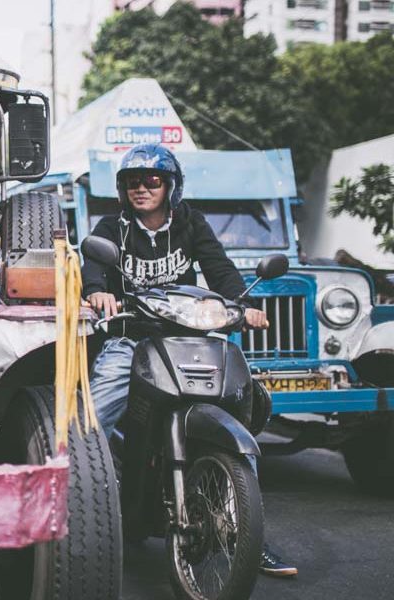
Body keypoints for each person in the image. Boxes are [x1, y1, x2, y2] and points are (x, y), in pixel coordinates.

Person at [81, 143, 298, 578]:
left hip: (188, 339)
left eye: (152, 181)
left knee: (234, 419)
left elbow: (219, 271)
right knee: (87, 423)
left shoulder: (191, 222)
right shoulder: (112, 225)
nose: (141, 188)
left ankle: (243, 533)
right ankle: (72, 520)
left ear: (170, 187)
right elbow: (94, 265)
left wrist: (244, 305)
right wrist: (97, 290)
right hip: (133, 340)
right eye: (132, 182)